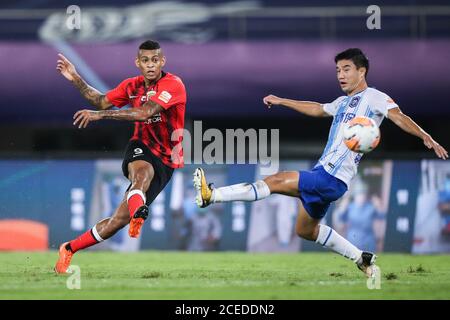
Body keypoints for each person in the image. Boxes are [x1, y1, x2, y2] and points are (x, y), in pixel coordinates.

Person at [193, 48, 448, 277]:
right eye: (338, 70)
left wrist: (425, 136)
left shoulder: (375, 97)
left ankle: (211, 195)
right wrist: (282, 101)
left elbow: (399, 116)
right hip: (326, 175)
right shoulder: (343, 102)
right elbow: (317, 108)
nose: (341, 75)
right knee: (305, 230)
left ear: (362, 71)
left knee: (276, 180)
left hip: (332, 177)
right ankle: (362, 258)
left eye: (347, 69)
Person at [54, 40, 186, 274]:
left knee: (116, 222)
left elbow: (145, 113)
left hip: (168, 158)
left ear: (162, 61)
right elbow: (101, 100)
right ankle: (139, 212)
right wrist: (75, 77)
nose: (150, 65)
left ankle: (69, 248)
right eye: (145, 60)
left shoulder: (173, 85)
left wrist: (101, 116)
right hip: (141, 146)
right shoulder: (131, 86)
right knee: (141, 175)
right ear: (138, 63)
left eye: (155, 60)